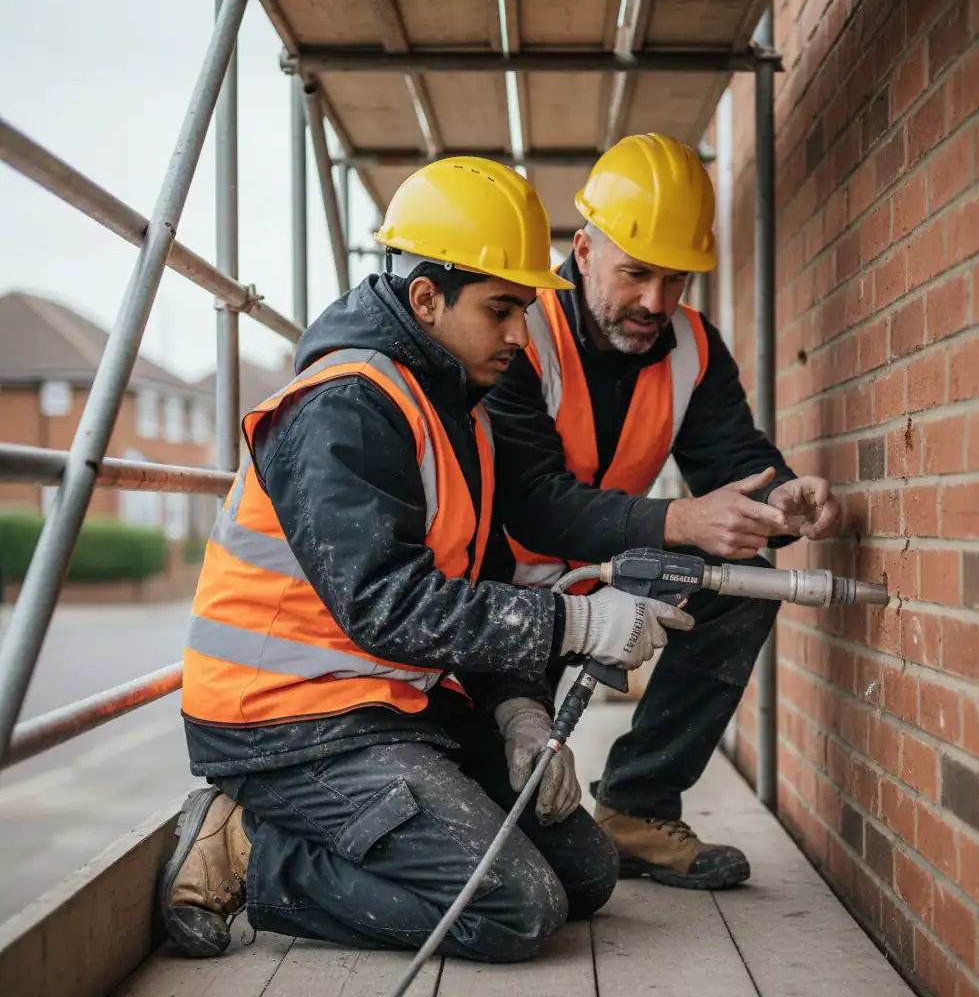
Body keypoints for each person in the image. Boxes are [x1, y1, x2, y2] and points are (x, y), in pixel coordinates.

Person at [158, 156, 693, 963]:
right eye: (500, 309)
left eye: (525, 311)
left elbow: (480, 579)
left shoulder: (459, 412)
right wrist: (577, 623)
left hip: (390, 705)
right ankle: (252, 849)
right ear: (425, 299)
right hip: (287, 722)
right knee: (518, 909)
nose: (520, 336)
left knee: (586, 874)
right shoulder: (345, 407)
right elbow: (388, 605)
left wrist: (518, 710)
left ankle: (301, 832)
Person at [482, 132, 842, 891]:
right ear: (584, 251)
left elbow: (733, 458)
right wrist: (680, 522)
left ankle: (638, 809)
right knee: (505, 835)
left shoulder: (693, 347)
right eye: (637, 273)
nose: (656, 302)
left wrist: (777, 496)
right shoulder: (520, 330)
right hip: (498, 596)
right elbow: (530, 502)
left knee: (745, 583)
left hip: (609, 568)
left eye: (676, 279)